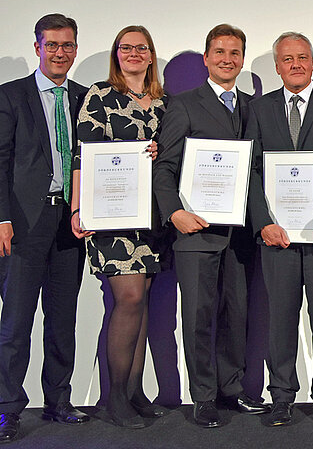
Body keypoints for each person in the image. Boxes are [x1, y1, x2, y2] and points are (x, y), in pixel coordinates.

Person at [152, 24, 268, 428]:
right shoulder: (183, 105)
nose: (227, 59)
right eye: (219, 52)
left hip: (240, 236)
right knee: (200, 317)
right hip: (195, 232)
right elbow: (164, 168)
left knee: (237, 316)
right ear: (206, 58)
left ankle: (231, 390)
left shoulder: (253, 107)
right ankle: (202, 397)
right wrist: (174, 213)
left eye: (235, 53)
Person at [244, 32, 313, 426]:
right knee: (280, 318)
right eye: (287, 59)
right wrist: (263, 224)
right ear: (277, 66)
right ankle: (281, 397)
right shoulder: (259, 109)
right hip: (277, 236)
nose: (296, 64)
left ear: (312, 62)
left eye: (303, 57)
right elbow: (252, 171)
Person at [70, 25, 167, 428]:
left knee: (141, 301)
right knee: (127, 300)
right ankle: (115, 398)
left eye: (139, 48)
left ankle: (134, 391)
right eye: (124, 48)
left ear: (150, 55)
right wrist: (78, 208)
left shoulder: (164, 103)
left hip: (151, 218)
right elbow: (83, 156)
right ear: (117, 54)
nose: (132, 53)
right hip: (111, 216)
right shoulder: (100, 95)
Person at [0, 13, 89, 443]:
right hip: (21, 225)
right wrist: (1, 218)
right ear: (37, 47)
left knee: (62, 319)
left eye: (67, 45)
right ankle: (7, 410)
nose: (60, 53)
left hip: (69, 225)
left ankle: (58, 401)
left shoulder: (85, 97)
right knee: (16, 323)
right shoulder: (10, 96)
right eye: (52, 45)